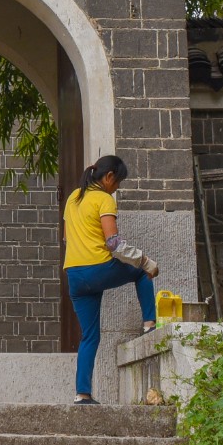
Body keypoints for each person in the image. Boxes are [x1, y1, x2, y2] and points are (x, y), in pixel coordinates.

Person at [63, 153, 160, 403]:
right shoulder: (103, 199)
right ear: (108, 177)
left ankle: (82, 395)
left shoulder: (73, 198)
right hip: (98, 268)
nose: (117, 189)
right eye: (118, 183)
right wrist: (145, 260)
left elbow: (67, 239)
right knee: (141, 271)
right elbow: (114, 243)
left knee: (90, 336)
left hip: (74, 275)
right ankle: (150, 325)